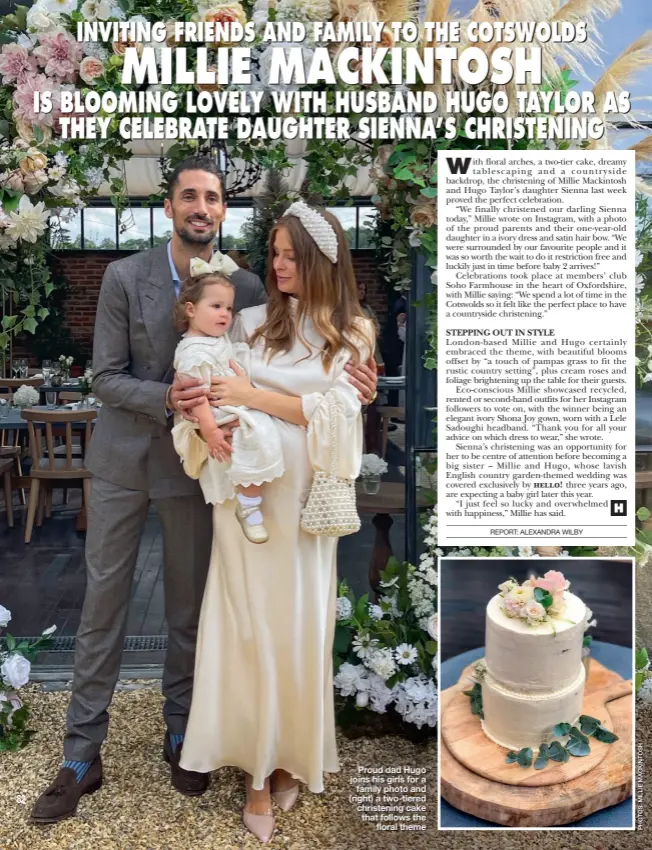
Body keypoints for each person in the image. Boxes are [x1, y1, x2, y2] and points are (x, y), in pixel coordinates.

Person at [30, 157, 377, 825]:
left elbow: (303, 352)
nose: (201, 206)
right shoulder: (122, 276)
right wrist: (171, 394)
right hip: (126, 462)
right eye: (189, 195)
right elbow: (104, 377)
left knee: (191, 612)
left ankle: (184, 732)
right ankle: (80, 755)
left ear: (223, 211)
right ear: (169, 207)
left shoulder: (247, 287)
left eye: (212, 198)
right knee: (103, 606)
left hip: (211, 474)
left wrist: (353, 382)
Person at [173, 201, 375, 844]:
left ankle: (290, 752)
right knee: (247, 626)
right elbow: (207, 382)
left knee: (298, 627)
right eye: (275, 255)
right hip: (246, 506)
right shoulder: (250, 324)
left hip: (307, 512)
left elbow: (342, 414)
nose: (279, 266)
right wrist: (195, 404)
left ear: (321, 260)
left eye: (291, 256)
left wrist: (257, 397)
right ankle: (256, 772)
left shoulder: (355, 333)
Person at [172, 263, 284, 543]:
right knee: (252, 434)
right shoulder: (193, 350)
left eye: (228, 308)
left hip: (231, 401)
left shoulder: (215, 340)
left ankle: (251, 498)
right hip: (216, 411)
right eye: (216, 306)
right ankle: (248, 506)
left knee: (263, 430)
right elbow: (196, 395)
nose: (225, 314)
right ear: (191, 310)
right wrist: (209, 431)